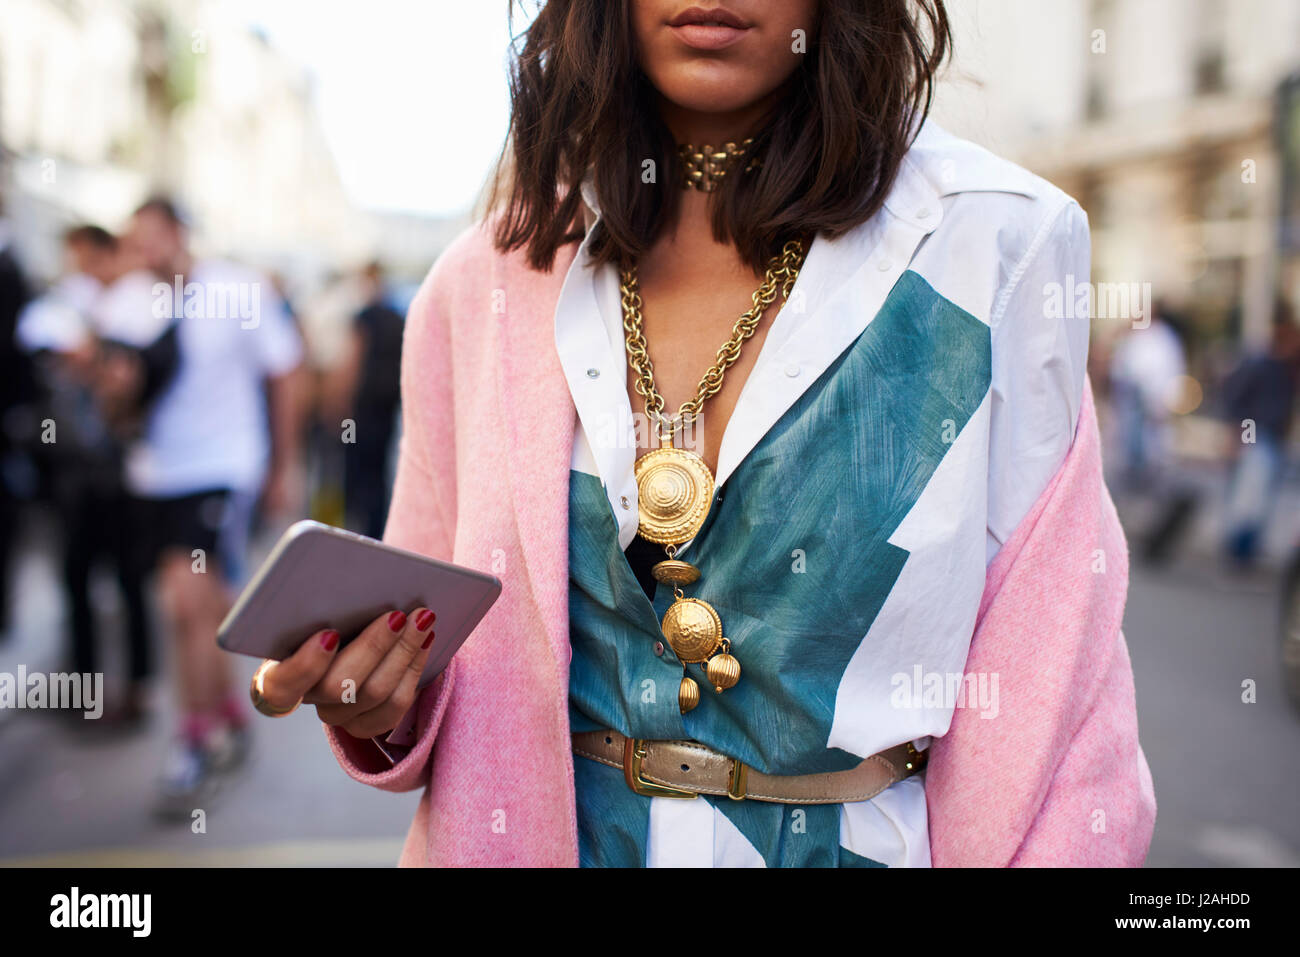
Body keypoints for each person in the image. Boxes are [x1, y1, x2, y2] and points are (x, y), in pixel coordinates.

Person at [249, 0, 1154, 867]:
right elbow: (431, 660)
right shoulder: (485, 279)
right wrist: (376, 699)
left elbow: (1062, 706)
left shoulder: (996, 241)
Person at [94, 197, 303, 815]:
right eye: (138, 240)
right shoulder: (125, 305)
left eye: (156, 236)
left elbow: (286, 371)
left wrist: (281, 465)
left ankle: (193, 742)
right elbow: (112, 411)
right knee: (203, 608)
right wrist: (116, 390)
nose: (148, 250)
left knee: (183, 600)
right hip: (156, 476)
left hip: (222, 469)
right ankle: (231, 716)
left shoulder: (237, 290)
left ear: (182, 234)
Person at [15, 225, 155, 720]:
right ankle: (82, 687)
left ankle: (136, 689)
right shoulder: (69, 304)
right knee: (76, 578)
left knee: (129, 581)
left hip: (120, 474)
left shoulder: (136, 306)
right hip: (76, 473)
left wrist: (99, 359)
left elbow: (134, 383)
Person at [1221, 299, 1300, 566]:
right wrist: (1238, 437)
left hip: (1275, 436)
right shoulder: (1260, 362)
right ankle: (1239, 548)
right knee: (1250, 495)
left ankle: (1246, 548)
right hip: (1257, 434)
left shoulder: (1288, 367)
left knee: (1261, 496)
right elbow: (1236, 400)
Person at [338, 261, 405, 538]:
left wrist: (340, 401)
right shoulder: (397, 315)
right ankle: (375, 529)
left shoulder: (364, 316)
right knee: (378, 473)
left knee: (355, 468)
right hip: (386, 407)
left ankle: (354, 529)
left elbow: (352, 362)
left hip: (362, 409)